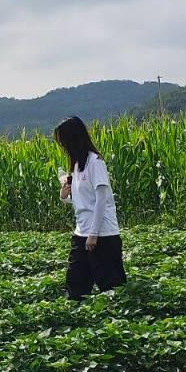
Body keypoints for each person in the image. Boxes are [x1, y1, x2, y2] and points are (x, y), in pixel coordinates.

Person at [55, 116, 127, 299]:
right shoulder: (77, 165)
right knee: (76, 284)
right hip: (81, 233)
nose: (63, 147)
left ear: (73, 139)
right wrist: (64, 196)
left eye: (63, 142)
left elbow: (101, 200)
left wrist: (93, 234)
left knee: (110, 286)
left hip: (103, 234)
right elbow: (82, 200)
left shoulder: (95, 162)